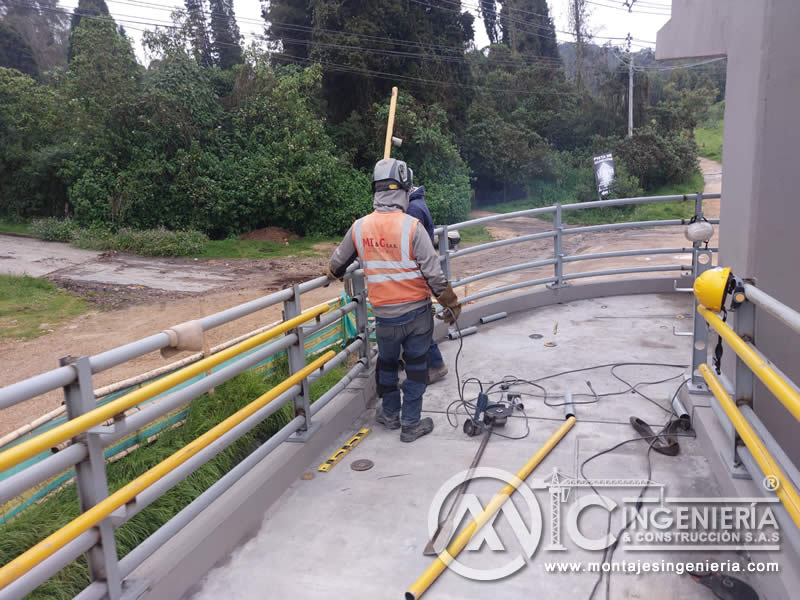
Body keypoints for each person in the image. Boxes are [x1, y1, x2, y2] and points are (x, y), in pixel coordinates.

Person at [326, 159, 461, 442]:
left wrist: (330, 273)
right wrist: (452, 303)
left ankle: (389, 415)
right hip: (416, 315)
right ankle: (410, 424)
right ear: (403, 189)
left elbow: (336, 266)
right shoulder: (412, 227)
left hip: (384, 317)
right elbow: (434, 275)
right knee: (415, 369)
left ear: (375, 191)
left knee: (386, 366)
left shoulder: (360, 227)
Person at [407, 185, 448, 384]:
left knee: (419, 327)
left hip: (417, 274)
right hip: (420, 272)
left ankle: (436, 365)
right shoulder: (417, 202)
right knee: (418, 325)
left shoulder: (413, 209)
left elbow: (413, 241)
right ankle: (430, 364)